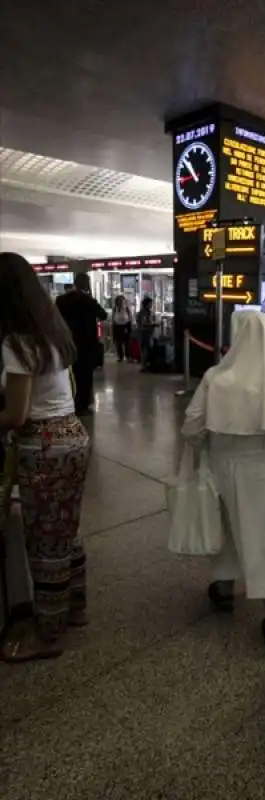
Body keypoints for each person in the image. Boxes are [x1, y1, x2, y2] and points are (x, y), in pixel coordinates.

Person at [182, 311, 265, 656]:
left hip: (226, 466)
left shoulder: (216, 378)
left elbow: (192, 427)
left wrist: (209, 445)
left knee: (229, 526)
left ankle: (225, 587)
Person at [0, 253, 90, 663]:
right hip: (72, 435)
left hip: (44, 445)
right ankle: (75, 608)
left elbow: (16, 415)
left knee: (44, 541)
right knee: (65, 528)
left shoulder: (16, 342)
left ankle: (48, 635)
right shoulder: (51, 332)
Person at [56, 272, 107, 415]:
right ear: (86, 284)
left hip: (67, 341)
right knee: (85, 375)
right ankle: (82, 404)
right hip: (87, 343)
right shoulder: (88, 300)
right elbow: (103, 314)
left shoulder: (61, 300)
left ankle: (69, 401)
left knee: (69, 373)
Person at [137, 296, 156, 372]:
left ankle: (145, 365)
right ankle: (143, 366)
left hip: (146, 332)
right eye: (150, 303)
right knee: (145, 349)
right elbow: (143, 323)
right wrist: (152, 324)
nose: (151, 305)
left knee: (146, 349)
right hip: (145, 333)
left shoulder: (146, 311)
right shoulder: (144, 312)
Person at [112, 295, 132, 362]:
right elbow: (113, 318)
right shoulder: (115, 308)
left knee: (127, 342)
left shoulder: (126, 308)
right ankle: (120, 357)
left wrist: (129, 327)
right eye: (119, 301)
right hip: (117, 326)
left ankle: (128, 356)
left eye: (121, 301)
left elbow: (130, 317)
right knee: (118, 342)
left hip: (125, 326)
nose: (120, 302)